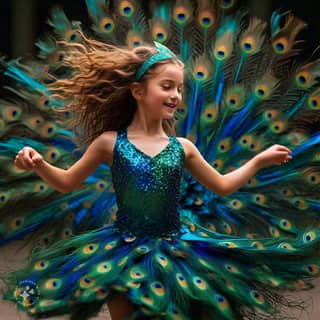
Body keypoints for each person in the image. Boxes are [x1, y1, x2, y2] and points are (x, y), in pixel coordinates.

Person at [9, 38, 300, 320]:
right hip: (120, 254)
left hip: (175, 251)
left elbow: (222, 185)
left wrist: (259, 160)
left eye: (180, 88)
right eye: (167, 86)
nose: (176, 95)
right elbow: (67, 182)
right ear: (138, 91)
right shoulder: (109, 143)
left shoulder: (183, 148)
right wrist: (40, 164)